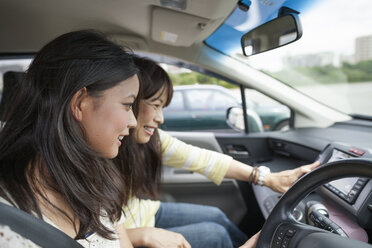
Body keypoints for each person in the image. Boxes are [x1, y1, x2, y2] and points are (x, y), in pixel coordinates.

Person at [119, 56, 320, 248]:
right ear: (131, 102)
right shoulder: (104, 150)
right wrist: (140, 235)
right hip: (126, 233)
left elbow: (202, 159)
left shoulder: (150, 140)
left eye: (163, 107)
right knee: (216, 235)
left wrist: (264, 178)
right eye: (155, 105)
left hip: (143, 212)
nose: (160, 118)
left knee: (217, 215)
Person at [0, 30, 139, 247]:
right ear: (79, 103)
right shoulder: (8, 223)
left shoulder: (98, 177)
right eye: (127, 105)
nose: (134, 121)